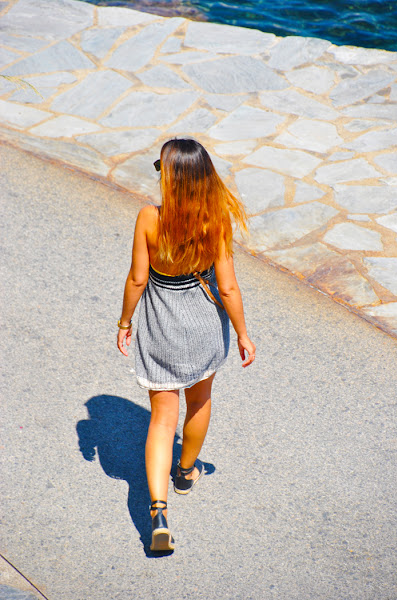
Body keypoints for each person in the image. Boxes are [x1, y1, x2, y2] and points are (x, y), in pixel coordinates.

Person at [117, 138, 256, 552]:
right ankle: (185, 472)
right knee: (199, 401)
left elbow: (138, 279)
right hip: (203, 329)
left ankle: (158, 512)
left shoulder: (149, 218)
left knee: (162, 419)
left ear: (171, 179)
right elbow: (228, 288)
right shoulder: (216, 221)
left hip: (160, 329)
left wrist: (125, 322)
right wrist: (244, 334)